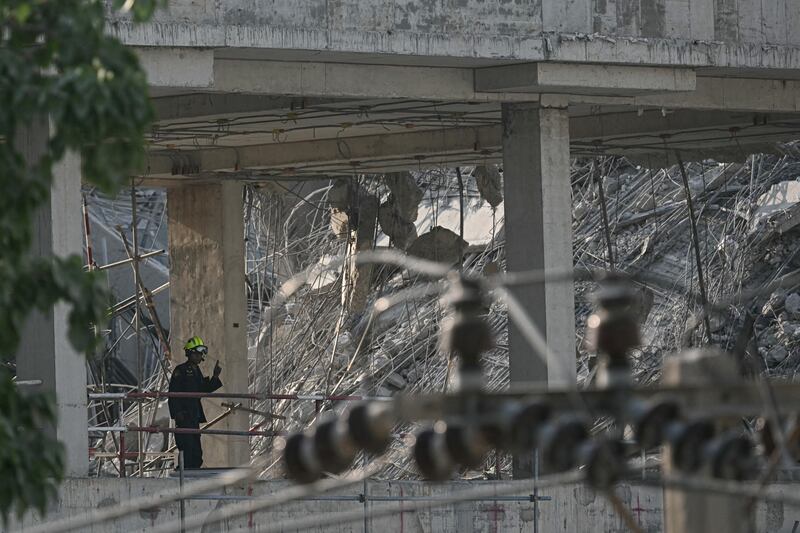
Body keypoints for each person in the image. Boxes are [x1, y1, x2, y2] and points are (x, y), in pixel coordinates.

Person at [168, 336, 222, 469]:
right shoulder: (180, 371)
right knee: (187, 448)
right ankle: (184, 474)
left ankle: (194, 473)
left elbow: (203, 389)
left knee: (196, 452)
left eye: (200, 354)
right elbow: (172, 394)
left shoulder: (196, 371)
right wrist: (178, 414)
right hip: (185, 416)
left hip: (194, 417)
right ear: (190, 353)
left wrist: (215, 376)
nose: (199, 356)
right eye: (196, 353)